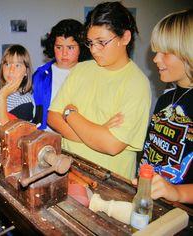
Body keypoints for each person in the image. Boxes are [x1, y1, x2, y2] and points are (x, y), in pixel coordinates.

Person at [47, 1, 151, 180]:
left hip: (107, 184)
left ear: (125, 38)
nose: (94, 50)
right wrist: (95, 134)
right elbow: (52, 117)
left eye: (102, 42)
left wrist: (71, 114)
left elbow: (111, 144)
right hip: (68, 173)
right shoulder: (81, 69)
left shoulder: (137, 83)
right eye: (90, 43)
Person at [138, 9, 193, 204]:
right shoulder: (165, 99)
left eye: (166, 53)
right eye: (156, 51)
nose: (155, 59)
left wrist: (177, 193)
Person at [32, 19, 89, 130]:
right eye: (59, 47)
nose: (64, 53)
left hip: (78, 137)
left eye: (70, 47)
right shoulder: (41, 74)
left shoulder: (90, 74)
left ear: (81, 48)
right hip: (46, 137)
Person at [0, 44, 33, 125]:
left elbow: (7, 131)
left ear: (26, 72)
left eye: (17, 65)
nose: (11, 70)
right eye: (7, 64)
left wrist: (3, 96)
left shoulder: (25, 101)